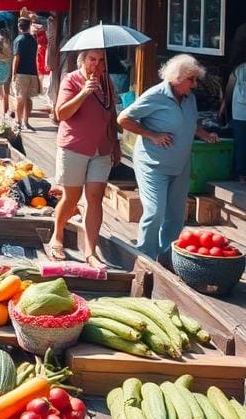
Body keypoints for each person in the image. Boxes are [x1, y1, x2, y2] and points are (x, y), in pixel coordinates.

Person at [118, 55, 220, 262]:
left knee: (175, 217)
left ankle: (167, 260)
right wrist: (152, 135)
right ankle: (145, 258)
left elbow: (190, 123)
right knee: (155, 211)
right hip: (153, 164)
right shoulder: (156, 95)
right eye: (192, 79)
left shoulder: (189, 97)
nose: (195, 84)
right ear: (177, 77)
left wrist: (206, 135)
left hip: (180, 164)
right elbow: (123, 118)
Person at [48, 49, 121, 266]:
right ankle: (57, 235)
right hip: (75, 146)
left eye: (101, 61)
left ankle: (91, 251)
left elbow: (111, 114)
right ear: (83, 60)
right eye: (92, 60)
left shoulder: (107, 81)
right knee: (71, 197)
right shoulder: (72, 80)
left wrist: (115, 142)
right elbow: (60, 114)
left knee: (95, 197)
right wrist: (84, 93)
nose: (96, 65)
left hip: (102, 148)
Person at [220, 47, 246, 182]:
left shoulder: (240, 68)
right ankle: (241, 173)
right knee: (241, 143)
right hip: (240, 112)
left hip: (239, 112)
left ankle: (241, 174)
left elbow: (229, 89)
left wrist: (223, 107)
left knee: (241, 143)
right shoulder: (240, 69)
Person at [12, 18, 39, 132]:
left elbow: (17, 57)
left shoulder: (19, 39)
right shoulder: (33, 40)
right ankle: (26, 122)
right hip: (32, 72)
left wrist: (13, 73)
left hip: (21, 73)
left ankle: (18, 121)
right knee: (28, 99)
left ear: (19, 27)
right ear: (29, 26)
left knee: (20, 98)